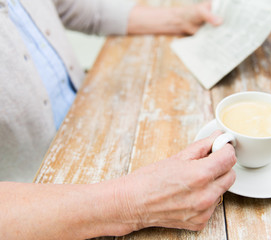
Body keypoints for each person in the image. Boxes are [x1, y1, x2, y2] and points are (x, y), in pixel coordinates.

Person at [0, 0, 236, 238]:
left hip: (90, 120)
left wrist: (178, 18)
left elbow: (74, 7)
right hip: (41, 198)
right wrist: (130, 203)